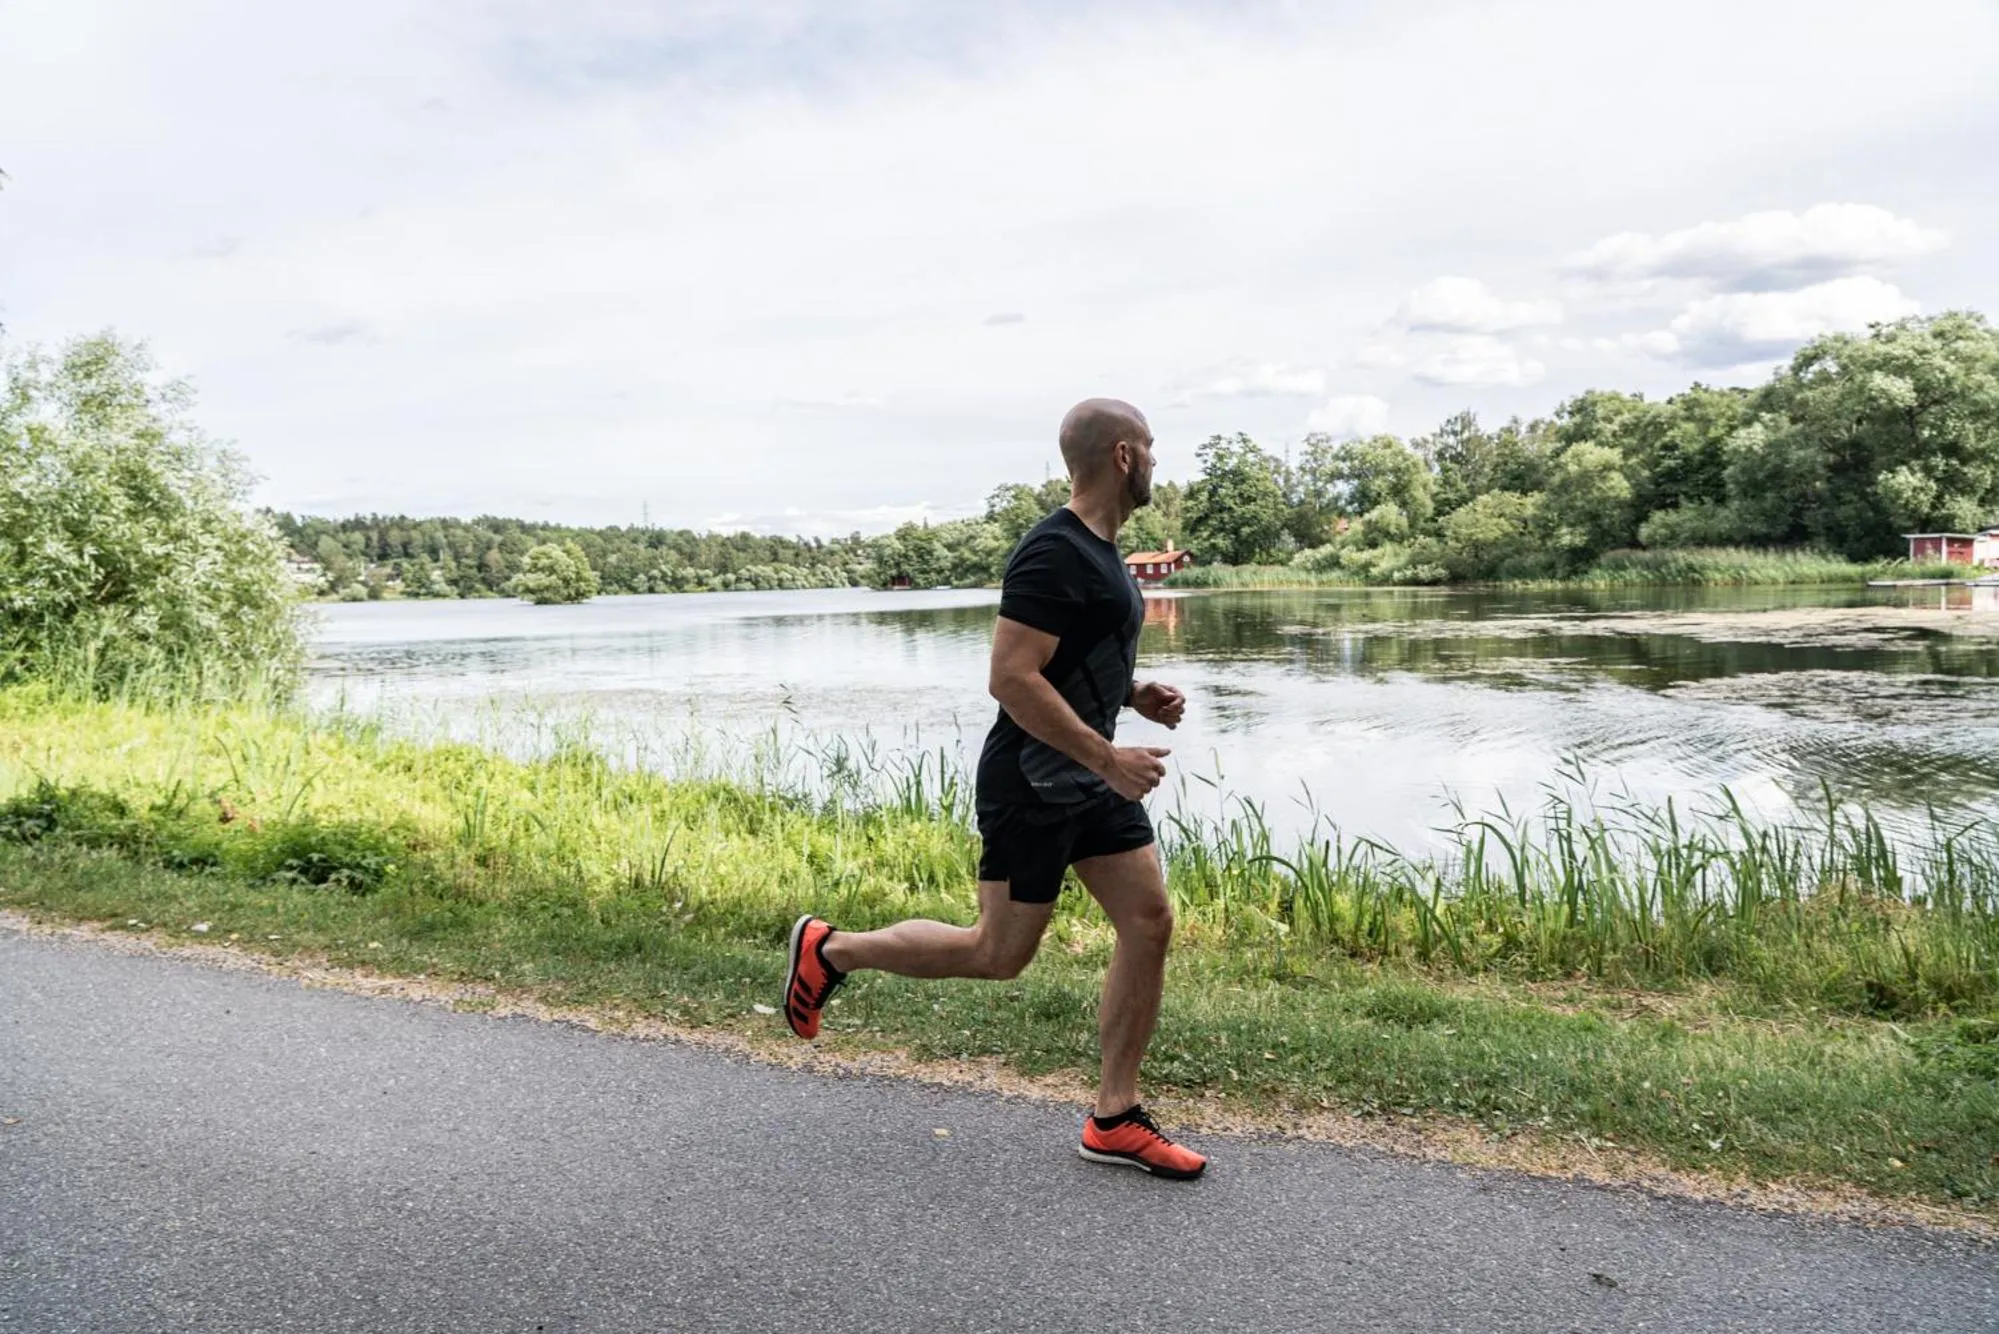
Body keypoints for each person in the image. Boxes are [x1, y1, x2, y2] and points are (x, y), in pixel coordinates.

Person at [782, 397, 1206, 1180]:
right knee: (997, 953)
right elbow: (1010, 680)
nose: (1156, 461)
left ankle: (1114, 1116)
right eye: (1150, 447)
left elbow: (1062, 665)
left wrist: (1131, 693)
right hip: (1036, 780)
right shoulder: (1053, 551)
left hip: (1085, 771)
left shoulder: (1103, 553)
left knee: (1148, 921)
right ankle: (831, 949)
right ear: (1121, 455)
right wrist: (1110, 760)